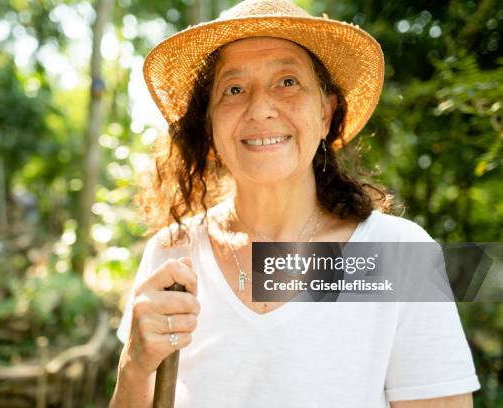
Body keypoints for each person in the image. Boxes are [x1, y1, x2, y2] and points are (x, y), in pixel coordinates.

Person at [110, 0, 480, 407]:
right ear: (209, 124)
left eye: (288, 82)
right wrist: (134, 364)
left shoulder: (400, 256)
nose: (260, 109)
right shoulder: (171, 253)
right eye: (234, 89)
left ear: (326, 112)